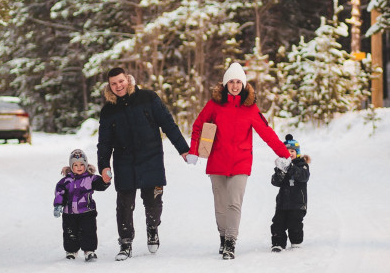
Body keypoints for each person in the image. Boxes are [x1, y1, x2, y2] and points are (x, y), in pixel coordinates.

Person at [187, 62, 291, 260]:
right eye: (231, 82)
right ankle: (223, 236)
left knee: (234, 202)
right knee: (220, 205)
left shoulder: (250, 108)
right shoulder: (214, 104)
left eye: (238, 82)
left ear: (244, 85)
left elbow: (266, 133)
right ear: (225, 84)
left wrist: (284, 153)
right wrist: (193, 150)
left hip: (241, 162)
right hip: (217, 161)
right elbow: (198, 125)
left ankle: (230, 242)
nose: (235, 85)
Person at [97, 67, 190, 261]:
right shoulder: (108, 110)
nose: (118, 86)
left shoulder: (148, 98)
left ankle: (152, 227)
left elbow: (167, 124)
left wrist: (183, 148)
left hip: (151, 158)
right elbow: (104, 143)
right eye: (113, 83)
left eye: (120, 81)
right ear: (110, 86)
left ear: (128, 80)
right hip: (124, 162)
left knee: (154, 203)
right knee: (124, 205)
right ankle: (125, 243)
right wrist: (104, 165)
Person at [53, 149, 111, 262]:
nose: (79, 167)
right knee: (70, 232)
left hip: (87, 211)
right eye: (75, 165)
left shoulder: (91, 178)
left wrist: (105, 180)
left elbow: (100, 185)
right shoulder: (65, 181)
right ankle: (71, 251)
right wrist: (58, 205)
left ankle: (89, 251)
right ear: (71, 166)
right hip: (69, 213)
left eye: (81, 164)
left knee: (88, 231)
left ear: (86, 165)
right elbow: (59, 193)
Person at [270, 134, 311, 252]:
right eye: (287, 151)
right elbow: (275, 182)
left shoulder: (302, 165)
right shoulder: (281, 167)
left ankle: (296, 242)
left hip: (298, 203)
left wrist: (290, 167)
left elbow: (303, 177)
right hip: (282, 202)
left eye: (292, 151)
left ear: (297, 152)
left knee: (295, 223)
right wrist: (281, 172)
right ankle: (278, 243)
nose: (290, 153)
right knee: (278, 223)